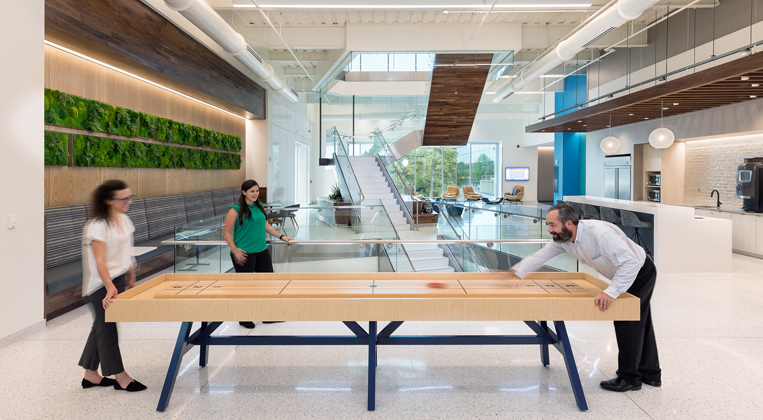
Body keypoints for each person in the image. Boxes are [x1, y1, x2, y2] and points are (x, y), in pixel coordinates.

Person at [509, 203, 660, 392]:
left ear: (569, 223)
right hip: (626, 274)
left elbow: (630, 262)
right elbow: (541, 256)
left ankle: (629, 378)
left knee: (627, 322)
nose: (550, 230)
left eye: (553, 225)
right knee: (641, 322)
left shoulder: (599, 233)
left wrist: (610, 292)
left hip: (639, 273)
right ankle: (651, 374)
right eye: (548, 225)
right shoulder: (563, 239)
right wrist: (517, 273)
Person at [79, 180, 146, 392]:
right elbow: (100, 261)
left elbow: (127, 251)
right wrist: (109, 286)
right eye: (123, 198)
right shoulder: (97, 226)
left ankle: (90, 375)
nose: (129, 201)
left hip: (117, 279)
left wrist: (131, 274)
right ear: (108, 200)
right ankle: (121, 377)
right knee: (107, 329)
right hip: (101, 283)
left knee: (99, 326)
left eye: (130, 197)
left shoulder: (124, 220)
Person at [223, 179, 292, 329]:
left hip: (261, 250)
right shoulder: (235, 210)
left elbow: (266, 226)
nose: (255, 194)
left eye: (257, 190)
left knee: (267, 284)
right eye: (252, 191)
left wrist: (282, 237)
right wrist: (235, 250)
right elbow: (226, 232)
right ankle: (244, 317)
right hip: (244, 253)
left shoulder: (258, 207)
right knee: (246, 287)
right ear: (244, 192)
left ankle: (267, 315)